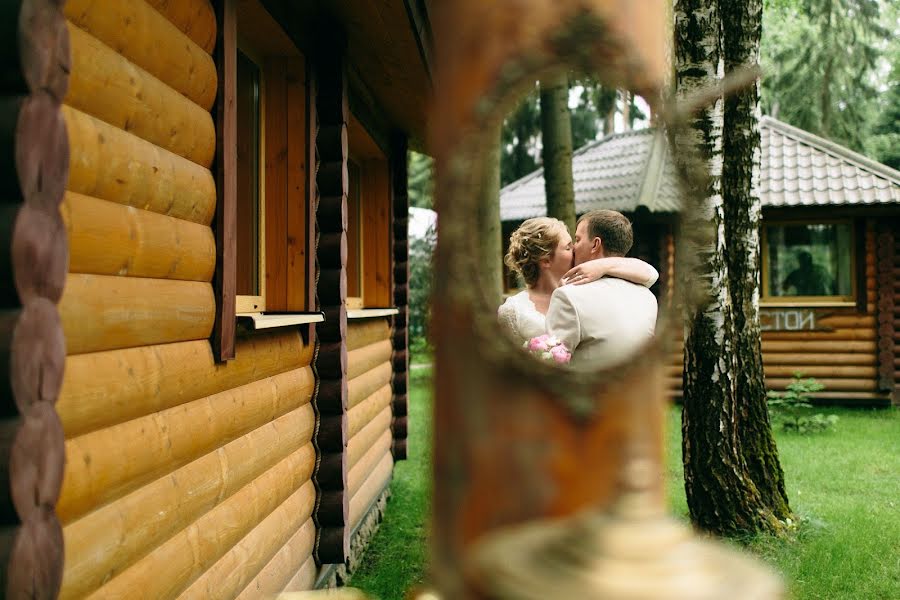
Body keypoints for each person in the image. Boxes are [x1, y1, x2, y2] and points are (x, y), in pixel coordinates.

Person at [498, 216, 658, 345]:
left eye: (575, 241)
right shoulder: (512, 311)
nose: (575, 248)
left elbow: (648, 272)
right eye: (568, 247)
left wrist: (602, 265)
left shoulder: (588, 288)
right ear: (546, 260)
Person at [546, 210, 658, 369]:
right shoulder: (648, 297)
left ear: (595, 244)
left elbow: (552, 365)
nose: (574, 248)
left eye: (577, 239)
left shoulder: (568, 296)